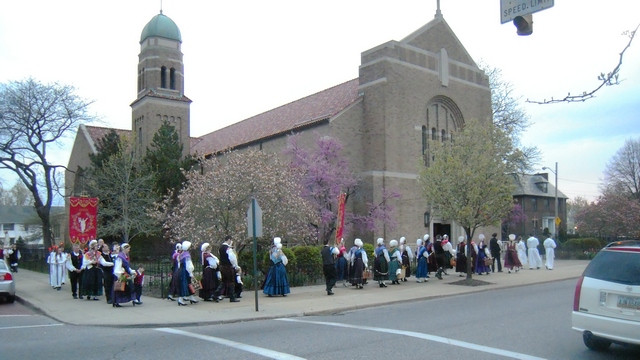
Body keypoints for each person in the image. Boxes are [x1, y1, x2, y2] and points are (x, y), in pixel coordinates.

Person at [112, 243, 139, 307]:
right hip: (120, 274)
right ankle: (117, 301)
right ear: (124, 249)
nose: (129, 250)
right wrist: (119, 275)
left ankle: (132, 298)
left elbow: (127, 267)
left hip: (123, 274)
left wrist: (132, 271)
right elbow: (118, 267)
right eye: (128, 249)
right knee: (119, 288)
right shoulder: (120, 257)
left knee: (126, 287)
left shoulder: (124, 256)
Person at [176, 241, 198, 306]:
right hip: (185, 272)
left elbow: (179, 263)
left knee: (187, 284)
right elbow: (189, 265)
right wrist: (191, 273)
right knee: (185, 284)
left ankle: (191, 297)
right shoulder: (187, 255)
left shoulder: (181, 254)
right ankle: (180, 299)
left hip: (181, 271)